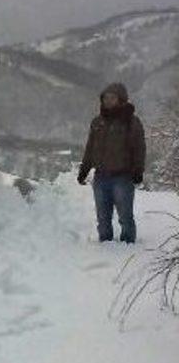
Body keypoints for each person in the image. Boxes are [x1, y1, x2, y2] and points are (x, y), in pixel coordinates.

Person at [77, 82, 146, 243]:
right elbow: (90, 148)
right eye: (105, 98)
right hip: (100, 176)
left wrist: (138, 171)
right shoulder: (97, 122)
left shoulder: (131, 122)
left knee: (125, 216)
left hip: (122, 177)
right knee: (102, 218)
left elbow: (139, 148)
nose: (108, 101)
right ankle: (105, 245)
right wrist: (84, 170)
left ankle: (128, 245)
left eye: (112, 98)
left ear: (121, 100)